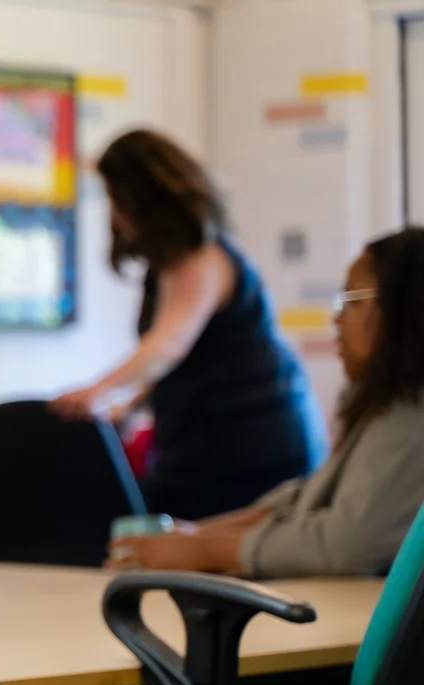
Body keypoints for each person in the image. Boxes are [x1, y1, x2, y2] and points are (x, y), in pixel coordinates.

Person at [109, 227, 424, 577]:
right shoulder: (388, 408)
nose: (336, 318)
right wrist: (195, 537)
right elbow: (308, 498)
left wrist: (203, 550)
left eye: (350, 301)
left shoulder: (410, 418)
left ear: (403, 308)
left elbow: (342, 544)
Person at [51, 129, 327, 519]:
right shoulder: (166, 266)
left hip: (253, 448)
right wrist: (129, 405)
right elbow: (179, 362)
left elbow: (169, 344)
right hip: (203, 446)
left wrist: (99, 389)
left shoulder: (204, 259)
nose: (114, 215)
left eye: (117, 200)